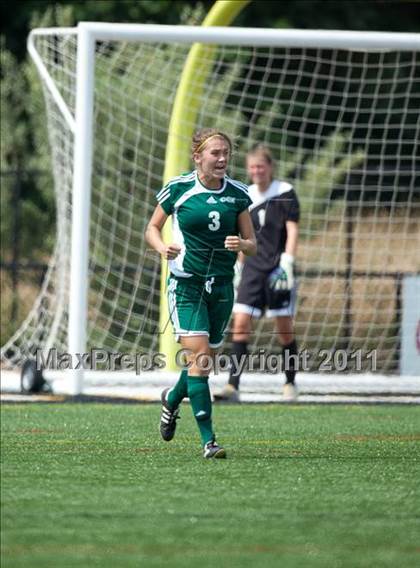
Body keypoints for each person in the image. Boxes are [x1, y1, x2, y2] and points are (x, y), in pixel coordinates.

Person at [145, 128, 256, 458]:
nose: (222, 159)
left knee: (203, 362)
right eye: (215, 153)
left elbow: (252, 244)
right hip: (187, 285)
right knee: (202, 356)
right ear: (198, 157)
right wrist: (162, 246)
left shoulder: (238, 193)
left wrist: (242, 244)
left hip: (221, 286)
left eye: (226, 153)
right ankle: (209, 440)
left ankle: (171, 397)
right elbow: (152, 227)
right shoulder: (179, 188)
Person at [214, 144, 300, 403]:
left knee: (284, 329)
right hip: (251, 269)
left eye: (261, 166)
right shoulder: (245, 195)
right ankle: (233, 385)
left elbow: (292, 230)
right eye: (252, 167)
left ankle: (290, 382)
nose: (257, 171)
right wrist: (238, 266)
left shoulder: (285, 192)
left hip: (276, 269)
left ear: (270, 167)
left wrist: (287, 261)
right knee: (240, 324)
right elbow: (244, 235)